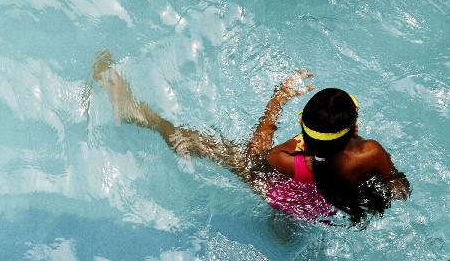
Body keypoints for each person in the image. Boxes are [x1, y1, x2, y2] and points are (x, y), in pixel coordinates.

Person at [91, 51, 409, 223]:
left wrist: (274, 103)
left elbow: (256, 161)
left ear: (304, 129)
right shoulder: (372, 153)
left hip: (284, 193)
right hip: (323, 208)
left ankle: (138, 115)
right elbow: (397, 185)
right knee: (289, 223)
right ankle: (282, 230)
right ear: (354, 126)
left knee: (205, 145)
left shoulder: (292, 157)